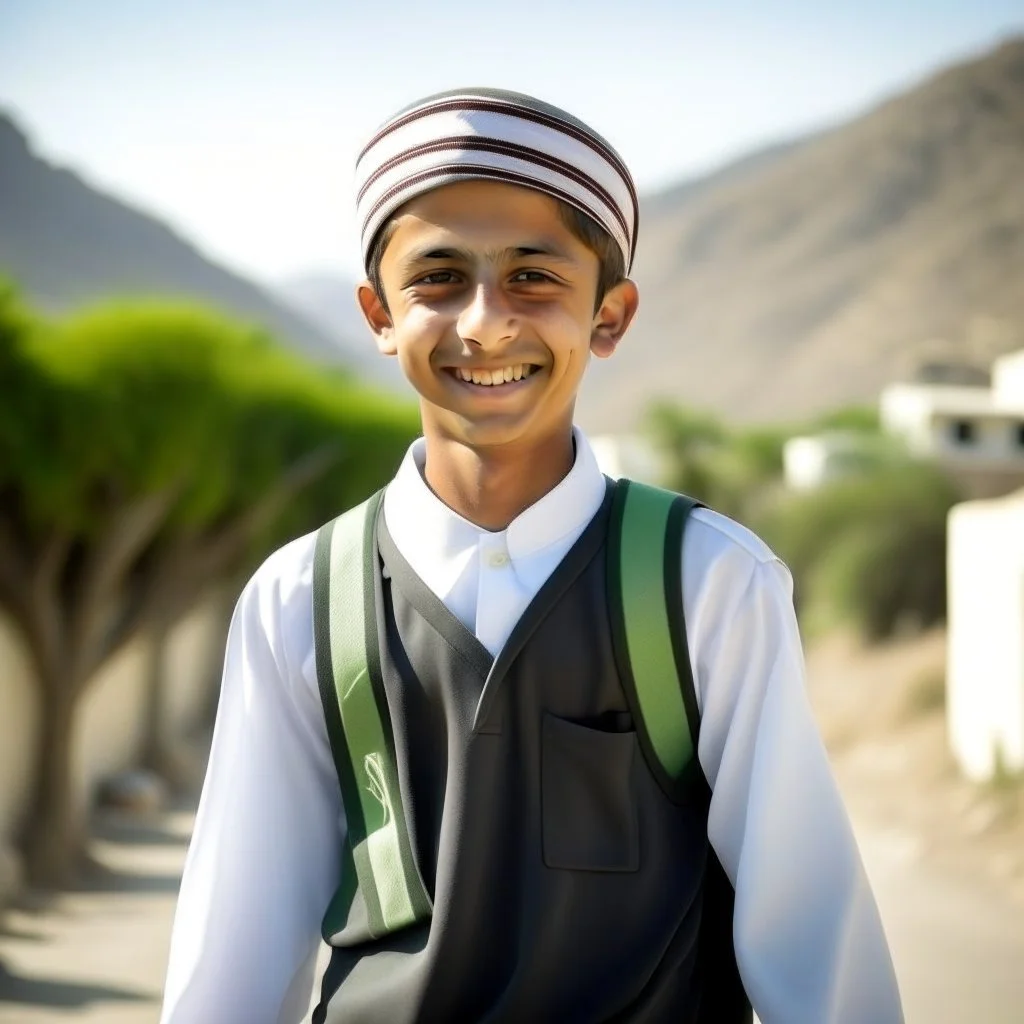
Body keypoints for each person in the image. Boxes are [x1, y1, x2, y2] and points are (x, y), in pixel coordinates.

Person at [159, 88, 903, 1023]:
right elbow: (236, 943)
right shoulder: (299, 597)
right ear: (378, 314)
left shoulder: (707, 583)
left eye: (534, 277)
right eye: (436, 277)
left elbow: (812, 941)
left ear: (611, 315)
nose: (483, 323)